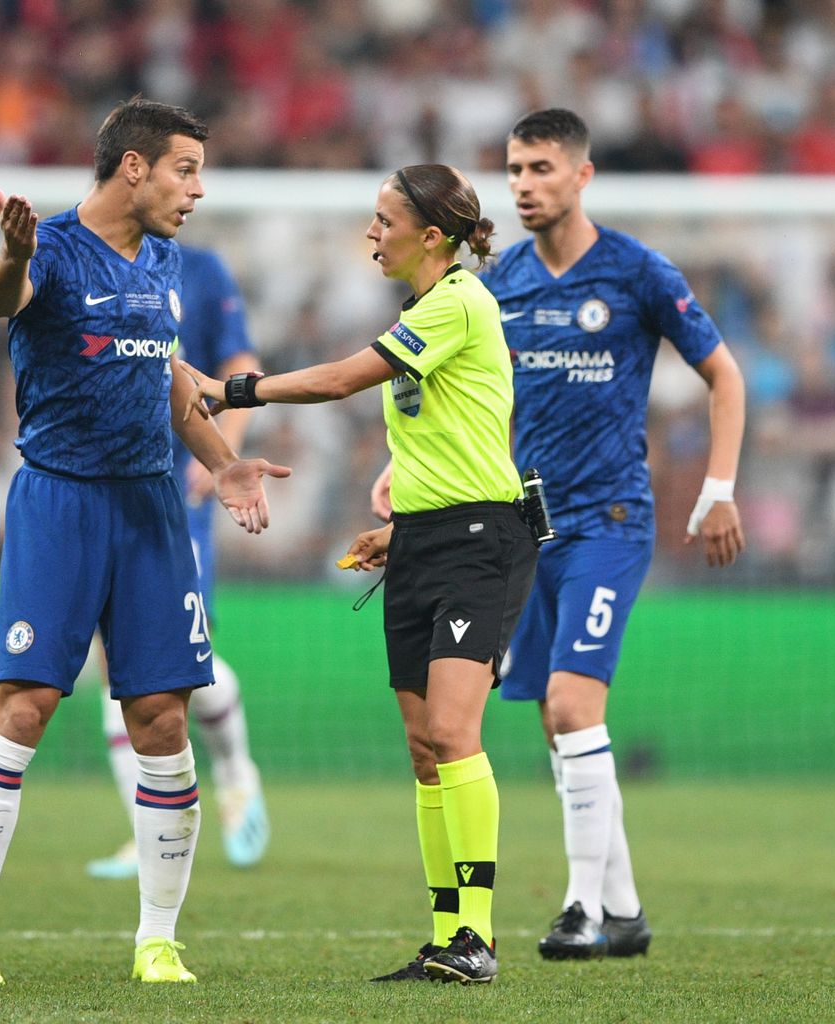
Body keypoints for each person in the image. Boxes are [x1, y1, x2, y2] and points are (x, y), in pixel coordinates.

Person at [375, 108, 746, 960]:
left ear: (582, 176)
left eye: (541, 168)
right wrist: (406, 467)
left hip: (610, 518)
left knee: (576, 706)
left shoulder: (637, 271)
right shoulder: (497, 281)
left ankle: (580, 910)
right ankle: (625, 910)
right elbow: (466, 390)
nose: (524, 184)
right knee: (556, 719)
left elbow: (723, 375)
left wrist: (720, 488)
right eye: (514, 169)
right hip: (518, 525)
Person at [0, 97, 290, 988]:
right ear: (133, 166)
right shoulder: (52, 249)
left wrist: (223, 464)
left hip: (150, 510)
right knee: (24, 706)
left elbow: (164, 373)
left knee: (162, 718)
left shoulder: (166, 259)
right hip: (59, 503)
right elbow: (2, 299)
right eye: (186, 170)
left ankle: (158, 940)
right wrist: (12, 255)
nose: (197, 190)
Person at [184, 163, 537, 985]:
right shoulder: (419, 312)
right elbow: (448, 433)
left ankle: (478, 936)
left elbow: (344, 378)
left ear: (432, 236)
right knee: (423, 747)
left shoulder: (459, 301)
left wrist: (234, 389)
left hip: (482, 541)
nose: (372, 233)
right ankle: (446, 936)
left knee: (454, 732)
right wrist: (400, 521)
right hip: (425, 539)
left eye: (384, 220)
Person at [88, 243, 271, 880]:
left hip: (175, 486)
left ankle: (236, 773)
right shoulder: (86, 260)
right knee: (114, 662)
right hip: (104, 485)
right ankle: (144, 830)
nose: (190, 196)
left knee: (186, 657)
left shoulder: (201, 268)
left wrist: (221, 454)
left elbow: (240, 360)